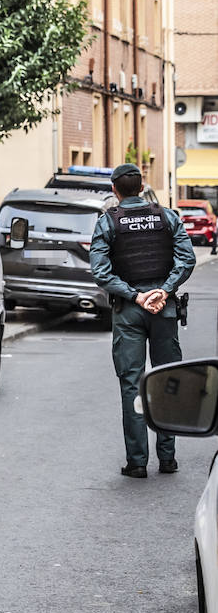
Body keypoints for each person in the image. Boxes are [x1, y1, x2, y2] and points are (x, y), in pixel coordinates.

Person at [89, 163, 195, 479]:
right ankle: (168, 458)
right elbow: (187, 259)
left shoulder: (108, 222)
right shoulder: (167, 217)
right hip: (163, 310)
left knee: (131, 385)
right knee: (168, 381)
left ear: (114, 190)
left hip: (129, 311)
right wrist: (164, 290)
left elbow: (101, 271)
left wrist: (135, 296)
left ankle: (137, 462)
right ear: (142, 186)